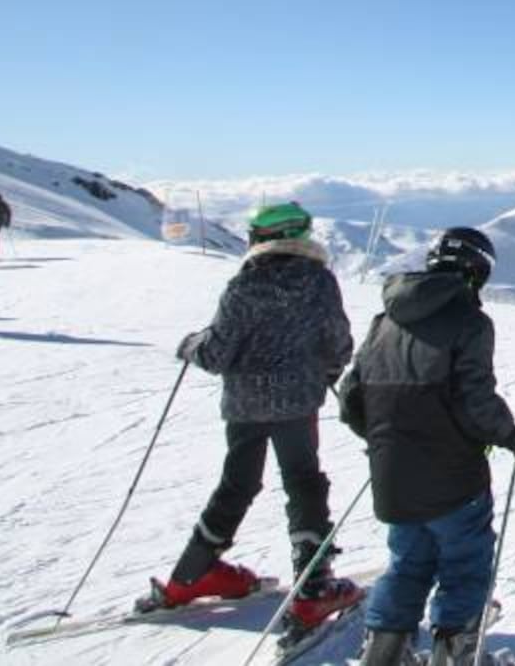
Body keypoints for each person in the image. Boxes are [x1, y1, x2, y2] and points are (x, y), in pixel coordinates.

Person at [138, 202, 362, 632]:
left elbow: (217, 353)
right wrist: (324, 373)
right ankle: (314, 585)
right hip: (298, 402)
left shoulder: (243, 285)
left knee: (238, 483)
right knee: (303, 481)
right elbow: (339, 344)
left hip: (244, 403)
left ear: (261, 238)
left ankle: (193, 572)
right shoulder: (319, 281)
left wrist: (190, 344)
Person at [340, 227, 515, 666]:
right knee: (465, 561)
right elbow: (475, 399)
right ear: (477, 270)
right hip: (452, 474)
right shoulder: (469, 321)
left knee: (407, 561)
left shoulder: (384, 320)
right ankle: (455, 653)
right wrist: (511, 434)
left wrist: (388, 438)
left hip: (393, 472)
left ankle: (383, 652)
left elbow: (353, 398)